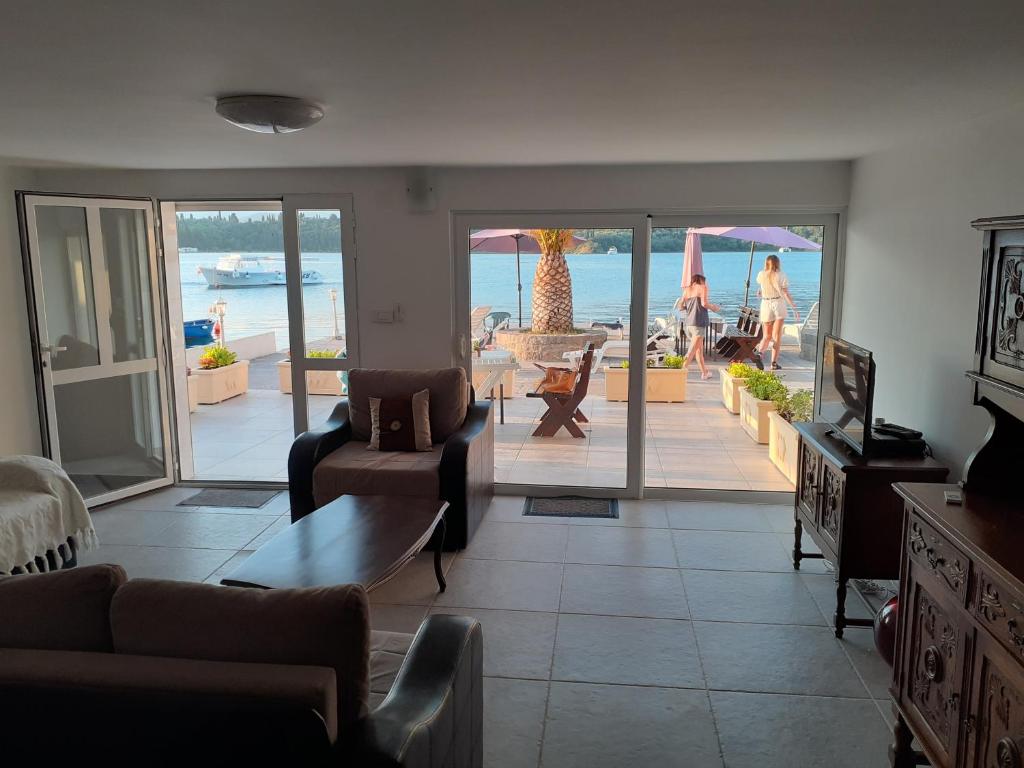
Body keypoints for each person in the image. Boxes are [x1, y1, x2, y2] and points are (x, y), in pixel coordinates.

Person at [753, 254, 800, 370]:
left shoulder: (761, 274)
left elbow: (761, 287)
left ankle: (760, 354)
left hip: (765, 304)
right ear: (777, 263)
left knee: (766, 336)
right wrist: (794, 308)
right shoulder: (781, 275)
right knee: (777, 336)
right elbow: (785, 293)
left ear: (766, 263)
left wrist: (761, 291)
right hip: (778, 304)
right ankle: (773, 363)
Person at [676, 274, 720, 380]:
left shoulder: (686, 290)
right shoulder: (702, 287)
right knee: (691, 352)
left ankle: (705, 373)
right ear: (702, 280)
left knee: (698, 351)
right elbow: (704, 304)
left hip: (689, 324)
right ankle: (678, 374)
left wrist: (690, 307)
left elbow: (680, 306)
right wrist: (714, 308)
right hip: (699, 324)